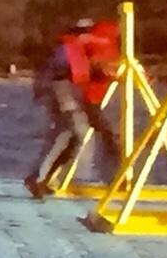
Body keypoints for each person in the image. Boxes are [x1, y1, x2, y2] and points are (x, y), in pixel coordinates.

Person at [24, 18, 122, 200]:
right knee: (74, 133)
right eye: (86, 33)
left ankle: (41, 178)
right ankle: (37, 178)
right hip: (62, 93)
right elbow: (63, 71)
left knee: (70, 136)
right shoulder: (67, 49)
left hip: (67, 94)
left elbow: (83, 72)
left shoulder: (76, 49)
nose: (90, 37)